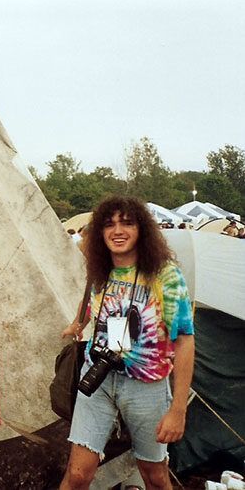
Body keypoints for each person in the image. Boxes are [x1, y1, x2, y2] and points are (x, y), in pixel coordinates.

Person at [60, 196, 195, 490]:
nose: (117, 231)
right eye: (109, 224)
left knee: (154, 475)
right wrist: (78, 324)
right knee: (79, 474)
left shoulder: (164, 275)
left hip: (146, 386)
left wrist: (178, 410)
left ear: (142, 229)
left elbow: (185, 340)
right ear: (99, 232)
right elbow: (92, 302)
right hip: (97, 378)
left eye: (127, 223)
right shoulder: (101, 269)